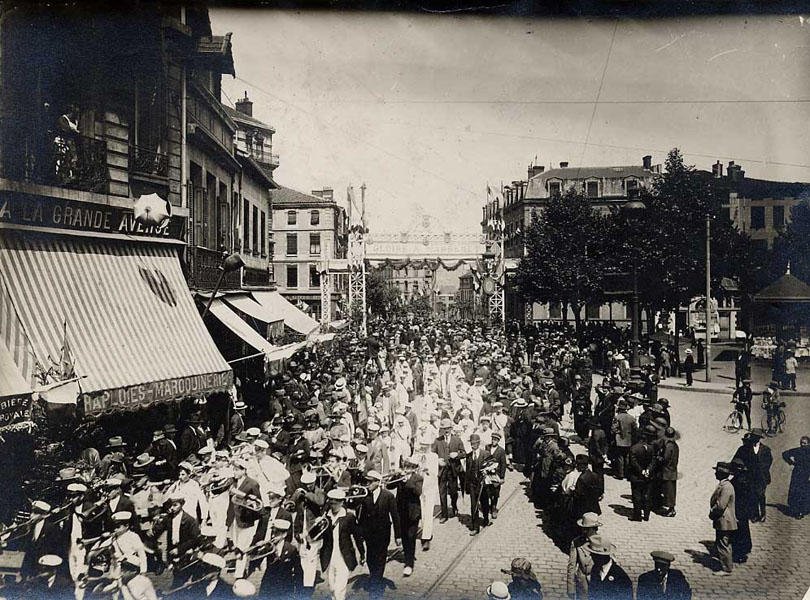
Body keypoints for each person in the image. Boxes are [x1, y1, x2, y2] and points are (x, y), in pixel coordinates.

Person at [357, 469, 401, 600]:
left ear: (377, 482)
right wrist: (360, 532)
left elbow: (395, 516)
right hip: (369, 533)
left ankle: (377, 583)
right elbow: (361, 516)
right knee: (371, 558)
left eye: (370, 482)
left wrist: (398, 535)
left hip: (383, 533)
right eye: (367, 482)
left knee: (381, 558)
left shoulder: (388, 496)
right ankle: (374, 577)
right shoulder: (365, 496)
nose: (368, 484)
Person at [319, 489, 365, 600]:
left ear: (341, 502)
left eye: (335, 503)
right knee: (332, 588)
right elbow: (319, 536)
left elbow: (357, 536)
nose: (333, 506)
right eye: (331, 503)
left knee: (339, 589)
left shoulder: (349, 517)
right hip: (329, 555)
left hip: (344, 556)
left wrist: (362, 553)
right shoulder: (326, 518)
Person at [733, 429, 773, 522]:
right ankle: (754, 514)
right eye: (753, 436)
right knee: (752, 494)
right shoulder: (746, 448)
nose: (754, 439)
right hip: (750, 476)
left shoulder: (766, 449)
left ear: (759, 438)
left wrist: (763, 469)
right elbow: (739, 459)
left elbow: (769, 461)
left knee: (761, 495)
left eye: (756, 437)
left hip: (762, 477)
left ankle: (763, 514)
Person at [259, 519, 302, 599]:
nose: (273, 536)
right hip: (269, 585)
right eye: (273, 532)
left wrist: (299, 592)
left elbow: (298, 571)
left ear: (284, 534)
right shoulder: (268, 547)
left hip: (285, 586)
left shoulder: (291, 549)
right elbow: (255, 557)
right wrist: (259, 546)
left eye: (276, 533)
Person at [395, 456, 423, 576]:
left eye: (409, 467)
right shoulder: (400, 477)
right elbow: (389, 486)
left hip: (413, 512)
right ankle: (407, 556)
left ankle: (409, 564)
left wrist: (407, 482)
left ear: (414, 468)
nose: (406, 468)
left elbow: (418, 492)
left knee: (411, 537)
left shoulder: (418, 478)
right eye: (405, 466)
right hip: (401, 511)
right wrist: (396, 476)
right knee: (405, 537)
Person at [433, 418, 465, 522]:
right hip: (442, 470)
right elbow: (432, 454)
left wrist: (457, 455)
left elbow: (464, 453)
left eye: (448, 428)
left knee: (453, 491)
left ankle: (454, 505)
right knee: (442, 492)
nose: (446, 430)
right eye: (444, 428)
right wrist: (437, 460)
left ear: (451, 428)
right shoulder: (438, 440)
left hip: (453, 470)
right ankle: (444, 514)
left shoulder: (456, 439)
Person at [709, 461, 737, 575]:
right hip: (724, 520)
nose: (715, 474)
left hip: (725, 520)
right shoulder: (725, 485)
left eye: (716, 472)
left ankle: (726, 569)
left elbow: (721, 506)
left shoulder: (726, 487)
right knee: (723, 543)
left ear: (720, 474)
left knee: (723, 544)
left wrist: (712, 512)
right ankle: (726, 564)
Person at [586, 535, 633, 600]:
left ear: (603, 556)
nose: (591, 556)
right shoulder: (595, 568)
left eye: (594, 554)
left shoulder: (620, 575)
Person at [567, 512, 600, 600]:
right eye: (583, 529)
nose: (584, 531)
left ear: (594, 529)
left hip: (597, 582)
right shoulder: (577, 542)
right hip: (582, 583)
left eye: (588, 529)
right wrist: (571, 589)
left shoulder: (603, 543)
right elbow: (571, 566)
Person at [628, 425, 657, 522]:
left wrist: (641, 470)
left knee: (636, 495)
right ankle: (646, 515)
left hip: (636, 476)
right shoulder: (651, 448)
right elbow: (653, 460)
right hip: (648, 476)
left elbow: (633, 462)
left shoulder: (634, 448)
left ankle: (637, 515)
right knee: (647, 495)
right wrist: (648, 470)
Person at [465, 432, 491, 535]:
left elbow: (493, 467)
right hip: (473, 484)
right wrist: (467, 486)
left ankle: (485, 519)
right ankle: (475, 527)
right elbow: (467, 471)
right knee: (473, 505)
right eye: (471, 443)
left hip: (483, 484)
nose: (473, 445)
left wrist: (487, 471)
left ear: (479, 443)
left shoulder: (486, 454)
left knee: (484, 503)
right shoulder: (469, 456)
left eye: (475, 443)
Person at [782, 436, 810, 518]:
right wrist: (791, 462)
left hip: (807, 474)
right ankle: (797, 510)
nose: (802, 445)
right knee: (796, 492)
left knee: (805, 492)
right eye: (801, 443)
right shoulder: (797, 450)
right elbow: (785, 454)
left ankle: (804, 510)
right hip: (797, 474)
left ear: (808, 443)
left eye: (804, 443)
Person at [660, 428, 679, 517]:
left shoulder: (668, 446)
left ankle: (671, 509)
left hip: (667, 471)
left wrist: (659, 458)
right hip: (673, 470)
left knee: (669, 491)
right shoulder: (675, 445)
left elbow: (665, 458)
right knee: (671, 491)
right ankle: (671, 508)